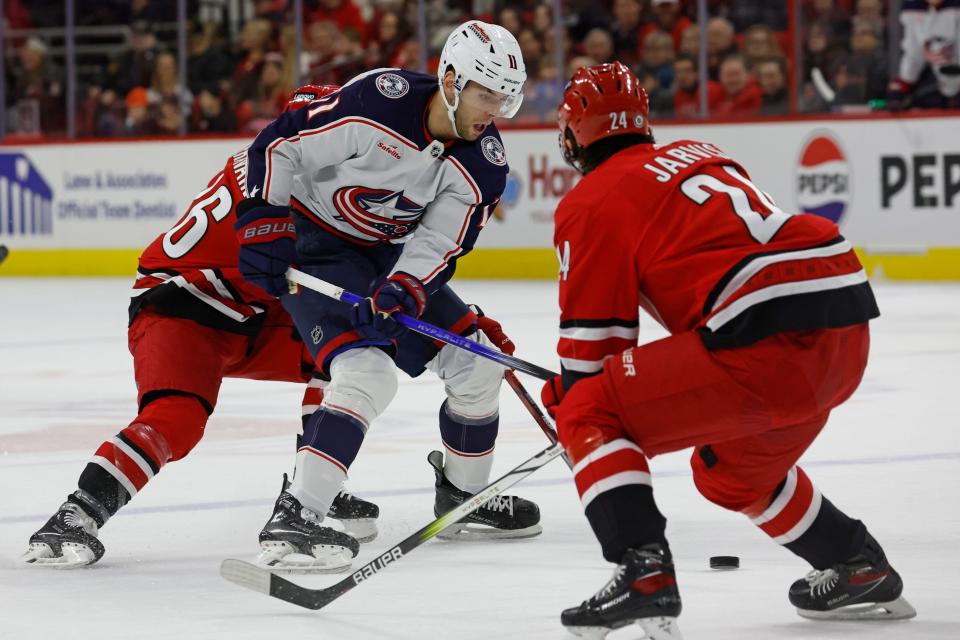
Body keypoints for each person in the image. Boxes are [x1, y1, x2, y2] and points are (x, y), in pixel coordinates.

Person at [542, 62, 916, 638]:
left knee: (590, 407)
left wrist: (569, 399)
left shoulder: (591, 202)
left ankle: (643, 571)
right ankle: (857, 563)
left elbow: (595, 355)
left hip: (766, 345)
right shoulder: (700, 151)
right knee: (732, 474)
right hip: (843, 329)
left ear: (574, 136)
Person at [20, 86, 377, 569]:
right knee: (177, 420)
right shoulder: (287, 181)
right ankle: (75, 515)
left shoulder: (281, 161)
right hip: (180, 303)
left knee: (343, 354)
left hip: (245, 310)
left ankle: (314, 493)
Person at [233, 20, 541, 571]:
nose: (493, 111)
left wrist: (407, 286)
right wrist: (262, 219)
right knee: (367, 373)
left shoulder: (484, 164)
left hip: (389, 257)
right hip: (318, 246)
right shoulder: (378, 101)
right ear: (450, 79)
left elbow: (439, 241)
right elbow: (280, 144)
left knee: (476, 364)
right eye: (485, 94)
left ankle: (463, 498)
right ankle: (296, 513)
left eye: (504, 100)